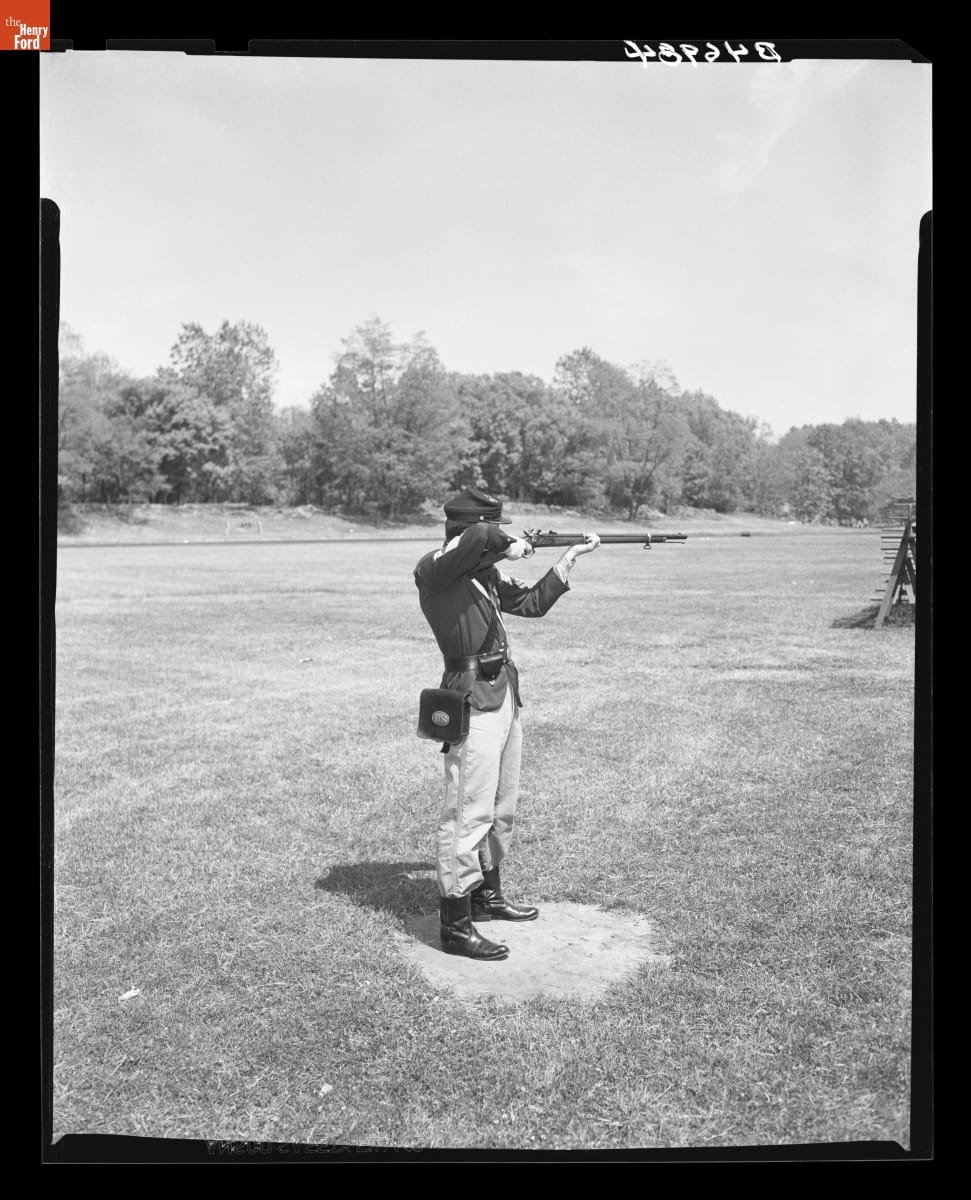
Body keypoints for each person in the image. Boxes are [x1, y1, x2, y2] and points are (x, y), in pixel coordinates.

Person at [414, 486, 600, 961]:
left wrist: (568, 557)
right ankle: (456, 926)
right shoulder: (435, 568)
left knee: (502, 806)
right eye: (494, 526)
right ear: (468, 528)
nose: (498, 534)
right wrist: (514, 545)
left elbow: (533, 603)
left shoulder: (484, 573)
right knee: (467, 811)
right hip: (472, 698)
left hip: (503, 695)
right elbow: (481, 537)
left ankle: (487, 895)